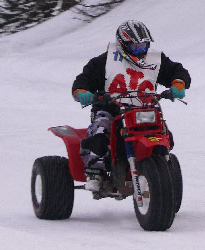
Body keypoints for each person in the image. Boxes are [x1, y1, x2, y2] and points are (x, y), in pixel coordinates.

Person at [72, 20, 191, 191]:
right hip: (110, 109)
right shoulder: (104, 61)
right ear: (123, 44)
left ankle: (165, 173)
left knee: (166, 136)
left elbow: (177, 71)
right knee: (100, 134)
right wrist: (83, 92)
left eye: (143, 45)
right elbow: (85, 78)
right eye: (135, 46)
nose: (140, 50)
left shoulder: (155, 59)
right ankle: (95, 173)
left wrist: (178, 84)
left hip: (144, 109)